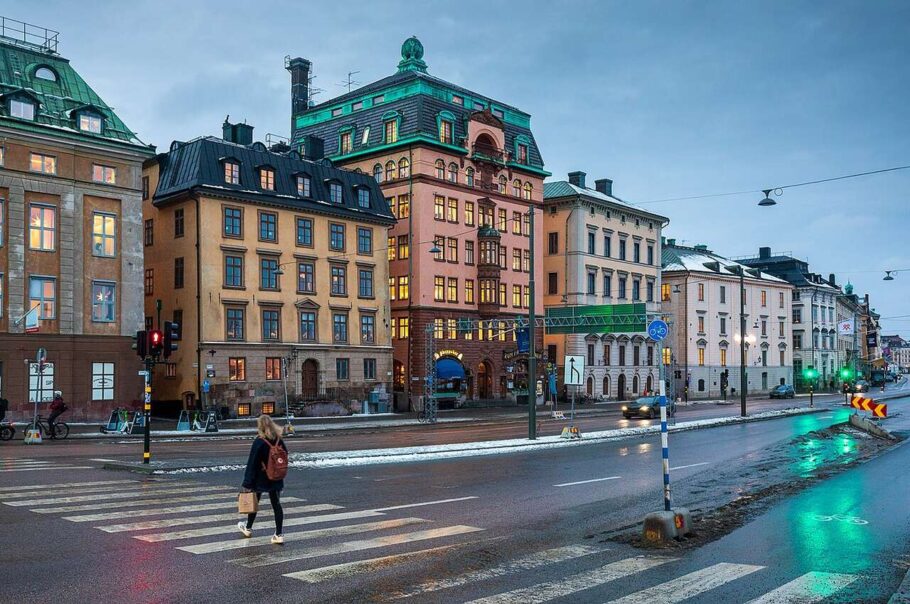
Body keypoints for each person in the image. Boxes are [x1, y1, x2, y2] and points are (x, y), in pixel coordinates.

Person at [238, 415, 287, 544]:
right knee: (276, 504)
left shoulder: (259, 441)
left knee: (255, 502)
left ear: (259, 427)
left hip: (260, 478)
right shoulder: (278, 440)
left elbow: (252, 463)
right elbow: (285, 455)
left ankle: (248, 528)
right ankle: (279, 534)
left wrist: (247, 483)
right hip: (276, 477)